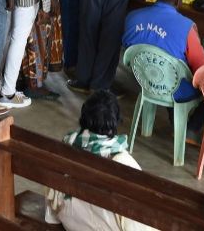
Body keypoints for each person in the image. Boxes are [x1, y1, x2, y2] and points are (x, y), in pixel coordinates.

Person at [45, 90, 158, 231]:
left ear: (84, 117)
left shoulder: (67, 145)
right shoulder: (123, 162)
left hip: (72, 223)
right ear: (115, 121)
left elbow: (52, 211)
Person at [122, 0, 204, 108]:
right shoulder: (186, 28)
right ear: (179, 1)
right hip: (175, 89)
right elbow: (201, 69)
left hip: (142, 79)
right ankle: (188, 126)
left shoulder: (132, 17)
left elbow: (126, 49)